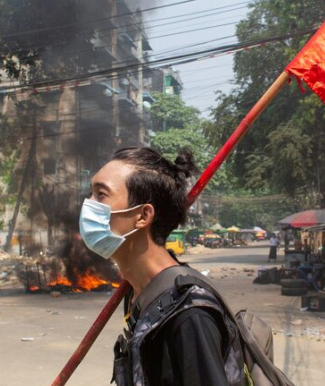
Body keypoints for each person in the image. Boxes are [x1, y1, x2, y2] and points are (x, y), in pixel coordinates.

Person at [80, 147, 244, 386]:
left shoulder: (188, 313)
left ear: (143, 216)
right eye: (90, 193)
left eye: (101, 194)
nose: (88, 204)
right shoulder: (139, 294)